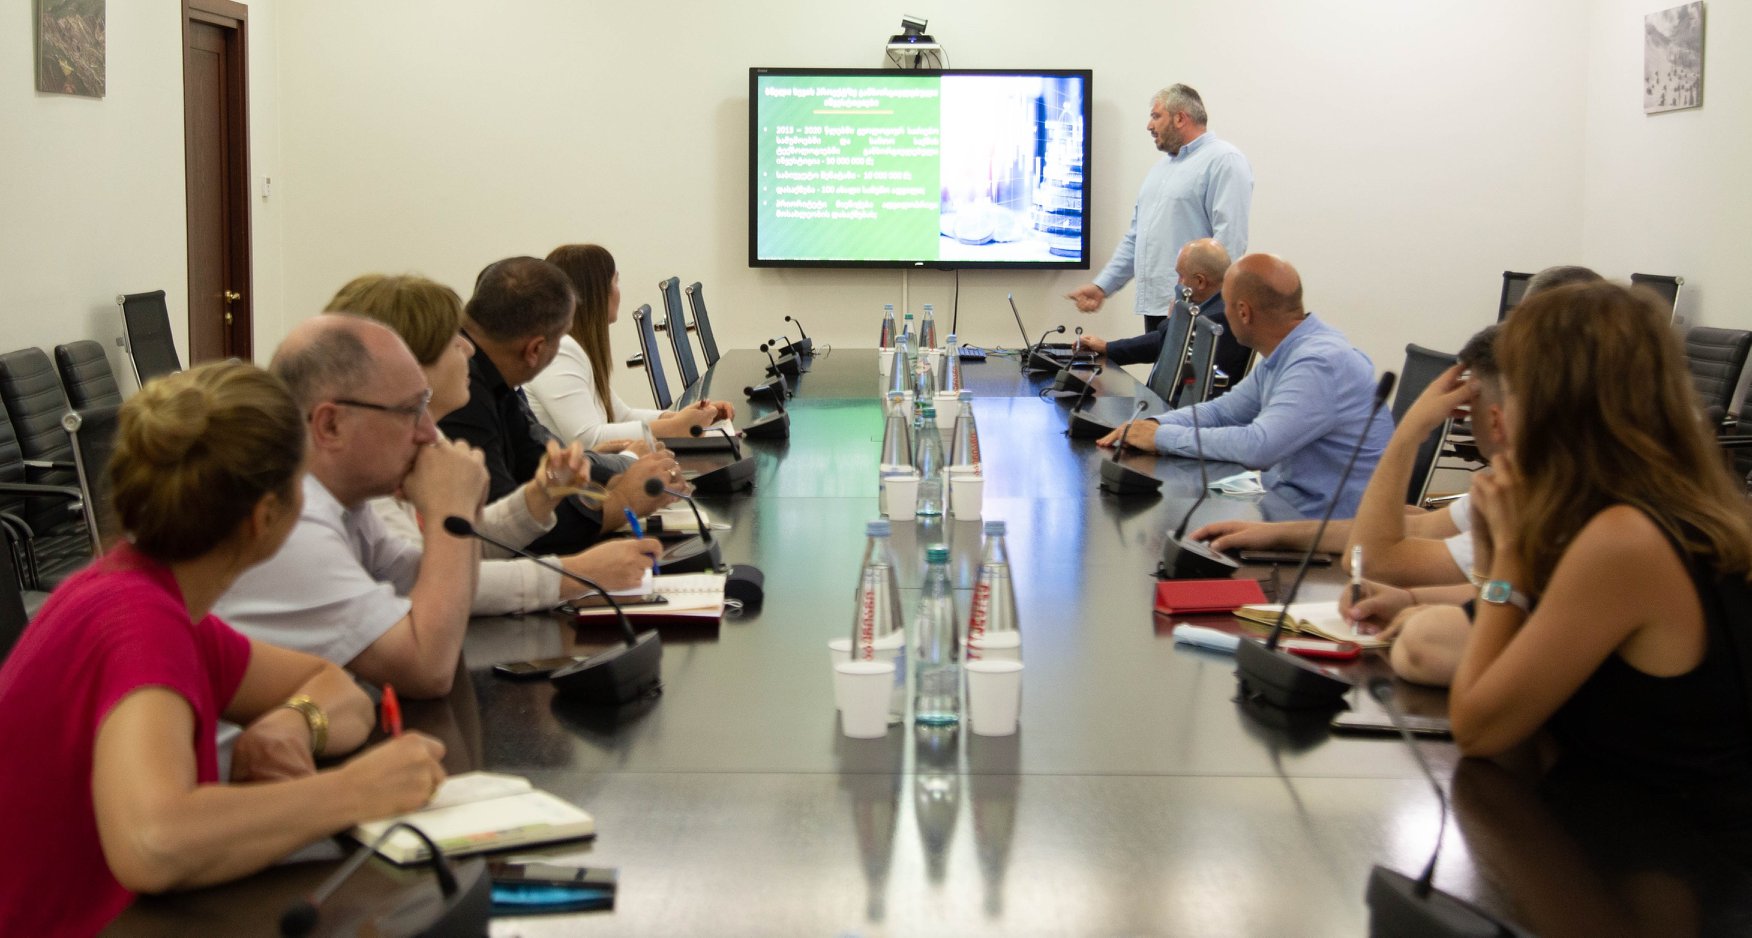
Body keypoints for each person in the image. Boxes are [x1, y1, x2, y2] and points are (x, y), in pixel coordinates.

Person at [0, 362, 446, 935]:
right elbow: (154, 841)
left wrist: (293, 723)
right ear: (265, 517)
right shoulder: (138, 624)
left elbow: (336, 688)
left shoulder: (147, 595)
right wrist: (354, 791)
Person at [1448, 281, 1752, 805]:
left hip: (1665, 845)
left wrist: (1508, 555)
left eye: (1511, 391)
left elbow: (1478, 728)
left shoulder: (1625, 541)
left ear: (1551, 405)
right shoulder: (1676, 508)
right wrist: (1493, 554)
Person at [326, 274, 660, 615]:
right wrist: (579, 575)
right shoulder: (368, 471)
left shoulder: (422, 437)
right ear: (407, 363)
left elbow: (463, 546)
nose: (469, 348)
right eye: (452, 340)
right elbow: (428, 580)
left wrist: (539, 496)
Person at [215, 315, 489, 699]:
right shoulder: (292, 523)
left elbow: (437, 594)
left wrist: (466, 506)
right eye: (410, 410)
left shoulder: (342, 501)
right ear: (330, 426)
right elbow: (427, 668)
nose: (429, 432)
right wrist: (451, 508)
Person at [1097, 253, 1393, 517]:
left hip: (1321, 528)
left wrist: (1161, 437)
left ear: (1243, 312)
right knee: (1181, 504)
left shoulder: (1319, 363)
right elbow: (1222, 412)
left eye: (1224, 304)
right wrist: (1151, 425)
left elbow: (1259, 446)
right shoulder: (1287, 352)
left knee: (1182, 519)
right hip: (1284, 501)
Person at [439, 256, 678, 557]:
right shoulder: (462, 388)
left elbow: (535, 460)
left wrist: (612, 480)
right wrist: (620, 502)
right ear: (535, 349)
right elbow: (503, 527)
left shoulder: (492, 376)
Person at [1067, 84, 1252, 332]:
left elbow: (1229, 242)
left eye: (1156, 116)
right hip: (1159, 306)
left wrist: (1205, 304)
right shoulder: (1161, 170)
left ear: (1180, 118)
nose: (1149, 125)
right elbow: (1137, 238)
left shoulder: (1224, 160)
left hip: (1197, 310)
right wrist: (1102, 286)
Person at [526, 244, 734, 448]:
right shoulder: (561, 350)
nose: (618, 291)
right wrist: (675, 426)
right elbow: (589, 439)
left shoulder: (573, 346)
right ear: (597, 293)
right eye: (615, 282)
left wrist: (684, 417)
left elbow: (621, 415)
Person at [1078, 238, 1249, 397]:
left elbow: (1173, 347)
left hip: (1181, 412)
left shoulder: (1218, 319)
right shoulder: (1211, 307)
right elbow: (1159, 341)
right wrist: (1108, 348)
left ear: (1200, 281)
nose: (1178, 283)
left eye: (1181, 276)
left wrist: (1172, 320)